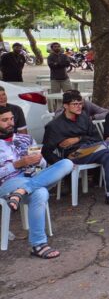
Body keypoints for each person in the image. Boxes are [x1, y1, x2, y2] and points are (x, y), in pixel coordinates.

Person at [0, 106, 73, 259]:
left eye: (11, 119)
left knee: (67, 163)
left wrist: (40, 161)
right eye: (4, 120)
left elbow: (43, 166)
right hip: (8, 183)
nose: (10, 123)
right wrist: (17, 164)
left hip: (32, 178)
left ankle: (22, 191)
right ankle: (38, 244)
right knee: (40, 192)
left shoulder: (25, 139)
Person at [41, 91, 109, 204]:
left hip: (91, 149)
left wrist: (78, 138)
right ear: (65, 105)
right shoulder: (54, 126)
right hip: (73, 155)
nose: (79, 106)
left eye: (80, 103)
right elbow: (45, 151)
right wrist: (62, 163)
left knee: (108, 155)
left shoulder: (83, 117)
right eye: (75, 104)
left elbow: (96, 137)